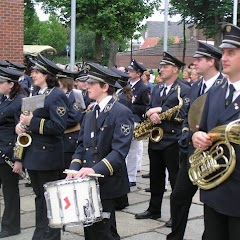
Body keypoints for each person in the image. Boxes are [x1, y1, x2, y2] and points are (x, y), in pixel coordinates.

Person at [67, 62, 134, 240]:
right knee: (91, 230)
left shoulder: (121, 112)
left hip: (107, 182)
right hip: (87, 182)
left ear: (105, 87)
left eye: (92, 83)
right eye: (87, 82)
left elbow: (119, 152)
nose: (87, 86)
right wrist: (74, 167)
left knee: (103, 231)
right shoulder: (90, 112)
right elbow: (81, 145)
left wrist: (94, 170)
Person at [167, 41, 226, 240]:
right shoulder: (195, 86)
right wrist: (189, 136)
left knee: (213, 207)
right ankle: (175, 236)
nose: (194, 63)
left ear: (211, 62)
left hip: (216, 157)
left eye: (199, 60)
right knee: (178, 199)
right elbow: (186, 118)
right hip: (191, 155)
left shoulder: (226, 86)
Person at [191, 23, 240, 240]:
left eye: (232, 53)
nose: (225, 58)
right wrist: (197, 137)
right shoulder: (215, 92)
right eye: (224, 53)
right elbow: (204, 129)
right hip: (214, 186)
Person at [15, 54, 69, 240]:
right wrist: (22, 125)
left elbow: (59, 127)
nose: (33, 74)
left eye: (37, 71)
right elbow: (29, 118)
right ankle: (40, 234)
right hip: (35, 155)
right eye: (33, 71)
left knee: (50, 200)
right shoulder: (37, 93)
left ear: (47, 75)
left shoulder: (56, 95)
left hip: (48, 156)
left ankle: (51, 236)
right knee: (40, 198)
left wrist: (33, 121)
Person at [135, 52, 190, 228]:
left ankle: (176, 216)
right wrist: (149, 113)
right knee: (156, 178)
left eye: (165, 66)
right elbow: (148, 108)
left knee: (175, 180)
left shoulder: (184, 88)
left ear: (175, 69)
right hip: (155, 138)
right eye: (161, 66)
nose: (161, 69)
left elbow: (184, 112)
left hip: (173, 139)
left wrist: (161, 111)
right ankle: (154, 209)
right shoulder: (157, 88)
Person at [0, 66, 25, 238]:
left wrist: (19, 159)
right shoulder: (4, 99)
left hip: (8, 153)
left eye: (1, 82)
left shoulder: (20, 101)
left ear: (11, 84)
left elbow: (22, 134)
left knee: (10, 191)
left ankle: (11, 226)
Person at [126, 59, 150, 186]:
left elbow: (146, 106)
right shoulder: (126, 84)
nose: (128, 72)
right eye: (128, 70)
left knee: (133, 150)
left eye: (131, 71)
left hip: (135, 120)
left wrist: (131, 107)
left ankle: (131, 177)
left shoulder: (143, 88)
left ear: (139, 73)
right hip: (125, 119)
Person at [57, 69, 85, 178]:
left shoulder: (74, 95)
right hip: (60, 139)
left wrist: (55, 122)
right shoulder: (59, 95)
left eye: (58, 80)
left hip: (70, 140)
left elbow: (74, 117)